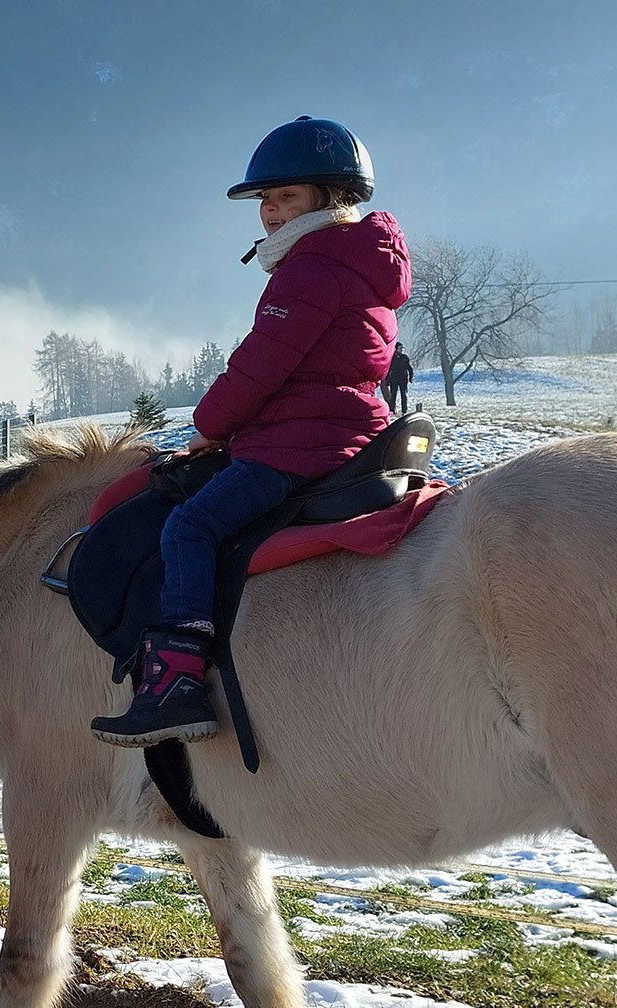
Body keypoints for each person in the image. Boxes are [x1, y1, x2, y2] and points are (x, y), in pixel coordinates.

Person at [92, 116, 410, 747]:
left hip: (298, 444)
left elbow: (262, 363)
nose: (269, 212)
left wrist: (208, 427)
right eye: (264, 200)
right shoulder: (356, 263)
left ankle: (177, 677)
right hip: (346, 432)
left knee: (191, 526)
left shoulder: (312, 269)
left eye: (285, 197)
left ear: (330, 197)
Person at [384, 341, 414, 414]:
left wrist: (411, 377)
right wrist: (387, 380)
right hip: (394, 379)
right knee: (393, 395)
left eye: (402, 348)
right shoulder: (392, 358)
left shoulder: (405, 358)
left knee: (404, 395)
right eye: (400, 348)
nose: (402, 350)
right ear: (396, 349)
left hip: (403, 379)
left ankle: (404, 410)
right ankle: (392, 410)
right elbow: (389, 369)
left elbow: (410, 368)